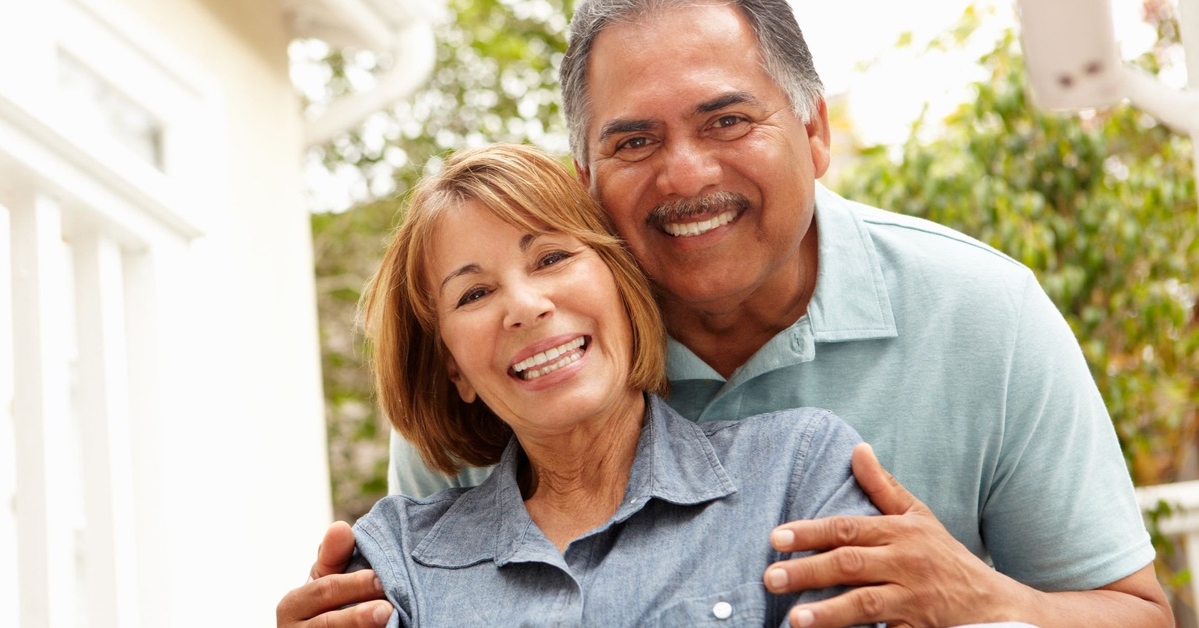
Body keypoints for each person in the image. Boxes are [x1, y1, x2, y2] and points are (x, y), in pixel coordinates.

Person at [277, 1, 1172, 627]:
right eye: (633, 141)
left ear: (816, 132)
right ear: (586, 179)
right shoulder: (531, 362)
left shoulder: (982, 314)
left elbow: (1136, 614)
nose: (686, 175)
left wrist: (984, 600)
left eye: (727, 120)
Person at [338, 143, 880, 626]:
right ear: (454, 368)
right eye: (473, 294)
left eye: (551, 258)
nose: (525, 308)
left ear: (621, 284)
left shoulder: (801, 473)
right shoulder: (397, 557)